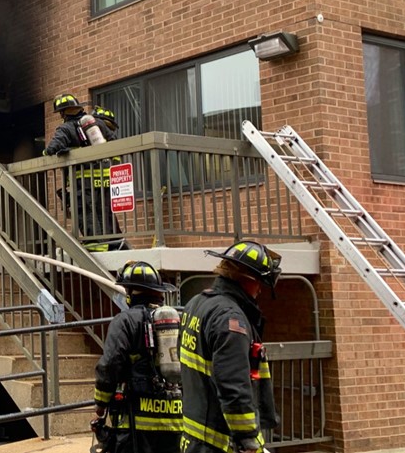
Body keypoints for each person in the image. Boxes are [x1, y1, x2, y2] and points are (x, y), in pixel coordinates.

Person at [179, 242, 281, 453]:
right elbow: (233, 386)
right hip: (221, 442)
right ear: (247, 279)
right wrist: (247, 440)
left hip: (194, 438)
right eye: (260, 282)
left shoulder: (196, 304)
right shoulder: (231, 320)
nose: (260, 289)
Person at [93, 261, 182, 453]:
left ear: (130, 292)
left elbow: (109, 365)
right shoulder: (177, 320)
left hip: (135, 422)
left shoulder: (124, 321)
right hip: (175, 419)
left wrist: (101, 404)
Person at [42, 93, 124, 249]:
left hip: (83, 180)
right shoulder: (98, 124)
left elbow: (53, 148)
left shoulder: (65, 128)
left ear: (63, 113)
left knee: (85, 210)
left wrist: (47, 153)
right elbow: (114, 144)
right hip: (105, 177)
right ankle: (112, 242)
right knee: (104, 210)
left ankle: (95, 244)